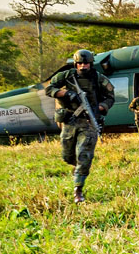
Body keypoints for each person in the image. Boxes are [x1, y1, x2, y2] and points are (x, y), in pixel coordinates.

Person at [45, 49, 115, 203]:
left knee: (84, 155)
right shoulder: (66, 76)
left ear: (91, 64)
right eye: (80, 63)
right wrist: (65, 94)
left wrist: (101, 107)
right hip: (70, 120)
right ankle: (78, 169)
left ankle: (78, 189)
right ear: (76, 64)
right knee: (67, 156)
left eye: (86, 63)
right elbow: (49, 89)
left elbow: (111, 97)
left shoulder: (99, 79)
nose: (83, 66)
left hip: (89, 122)